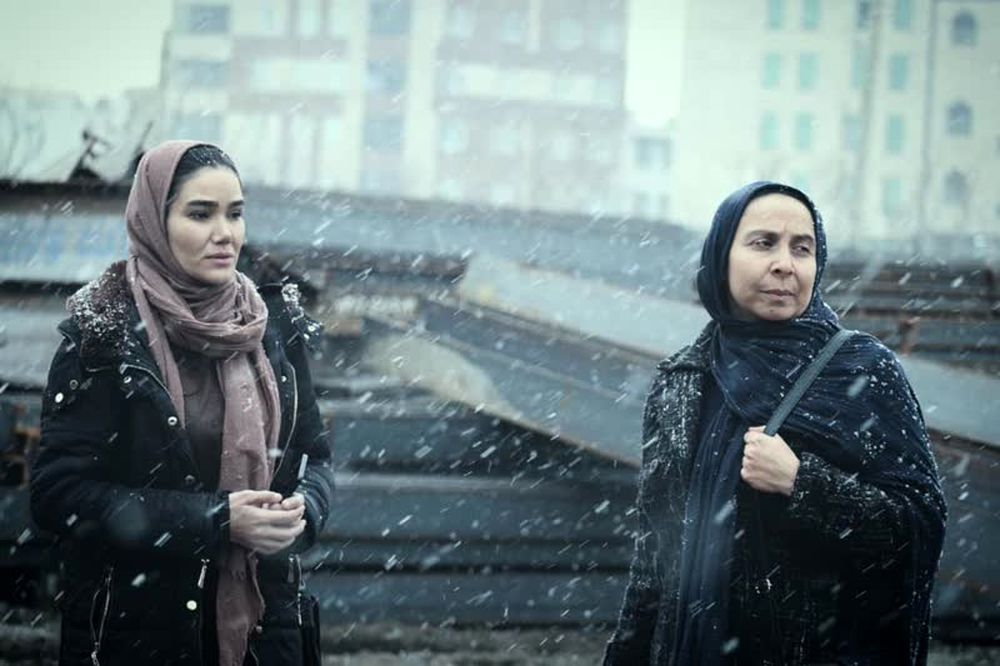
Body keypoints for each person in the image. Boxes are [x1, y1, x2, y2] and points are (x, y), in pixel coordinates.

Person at [603, 182, 946, 665]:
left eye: (802, 249)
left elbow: (918, 524)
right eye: (764, 243)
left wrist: (802, 483)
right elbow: (654, 561)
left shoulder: (862, 371)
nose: (785, 264)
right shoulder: (682, 379)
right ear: (721, 257)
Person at [30, 140, 334, 665]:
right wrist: (215, 519)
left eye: (235, 213)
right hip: (139, 634)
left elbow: (315, 458)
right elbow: (60, 496)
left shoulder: (273, 329)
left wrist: (303, 510)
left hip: (266, 634)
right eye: (200, 214)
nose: (225, 233)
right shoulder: (105, 336)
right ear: (155, 222)